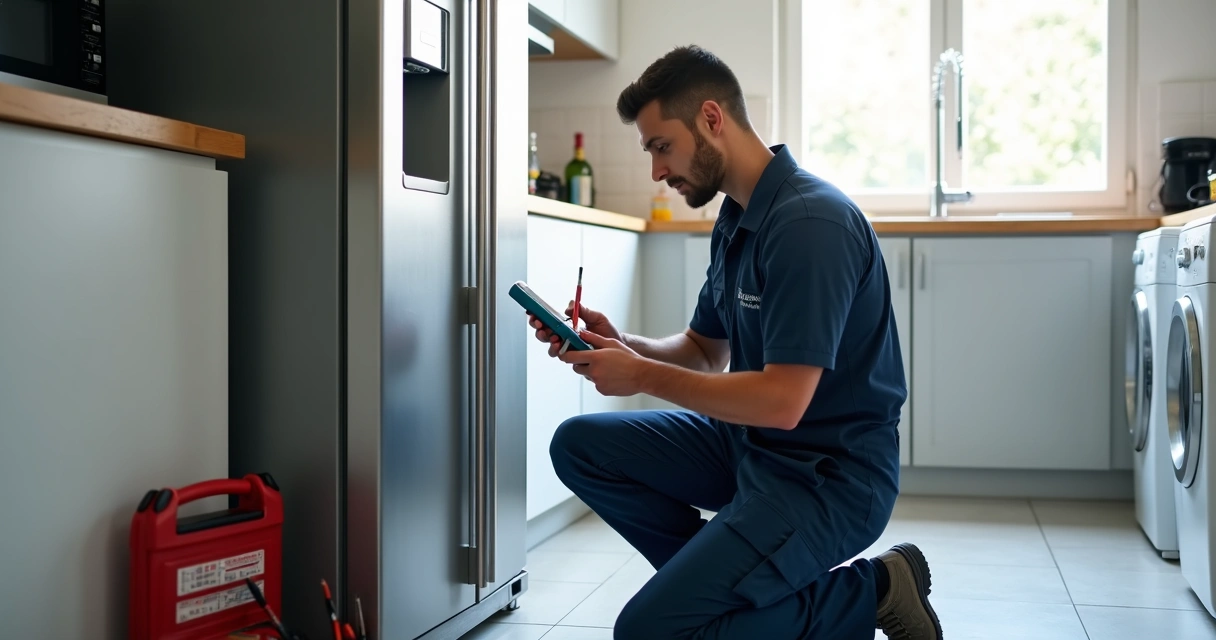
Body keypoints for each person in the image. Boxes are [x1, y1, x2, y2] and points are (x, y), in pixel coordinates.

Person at [526, 45, 941, 640]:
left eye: (660, 147)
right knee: (579, 445)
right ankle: (723, 591)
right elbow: (703, 349)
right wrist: (621, 344)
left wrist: (641, 377)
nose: (656, 171)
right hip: (751, 447)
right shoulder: (738, 216)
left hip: (827, 476)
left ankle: (871, 591)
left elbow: (782, 401)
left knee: (647, 631)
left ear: (712, 120)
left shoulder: (808, 226)